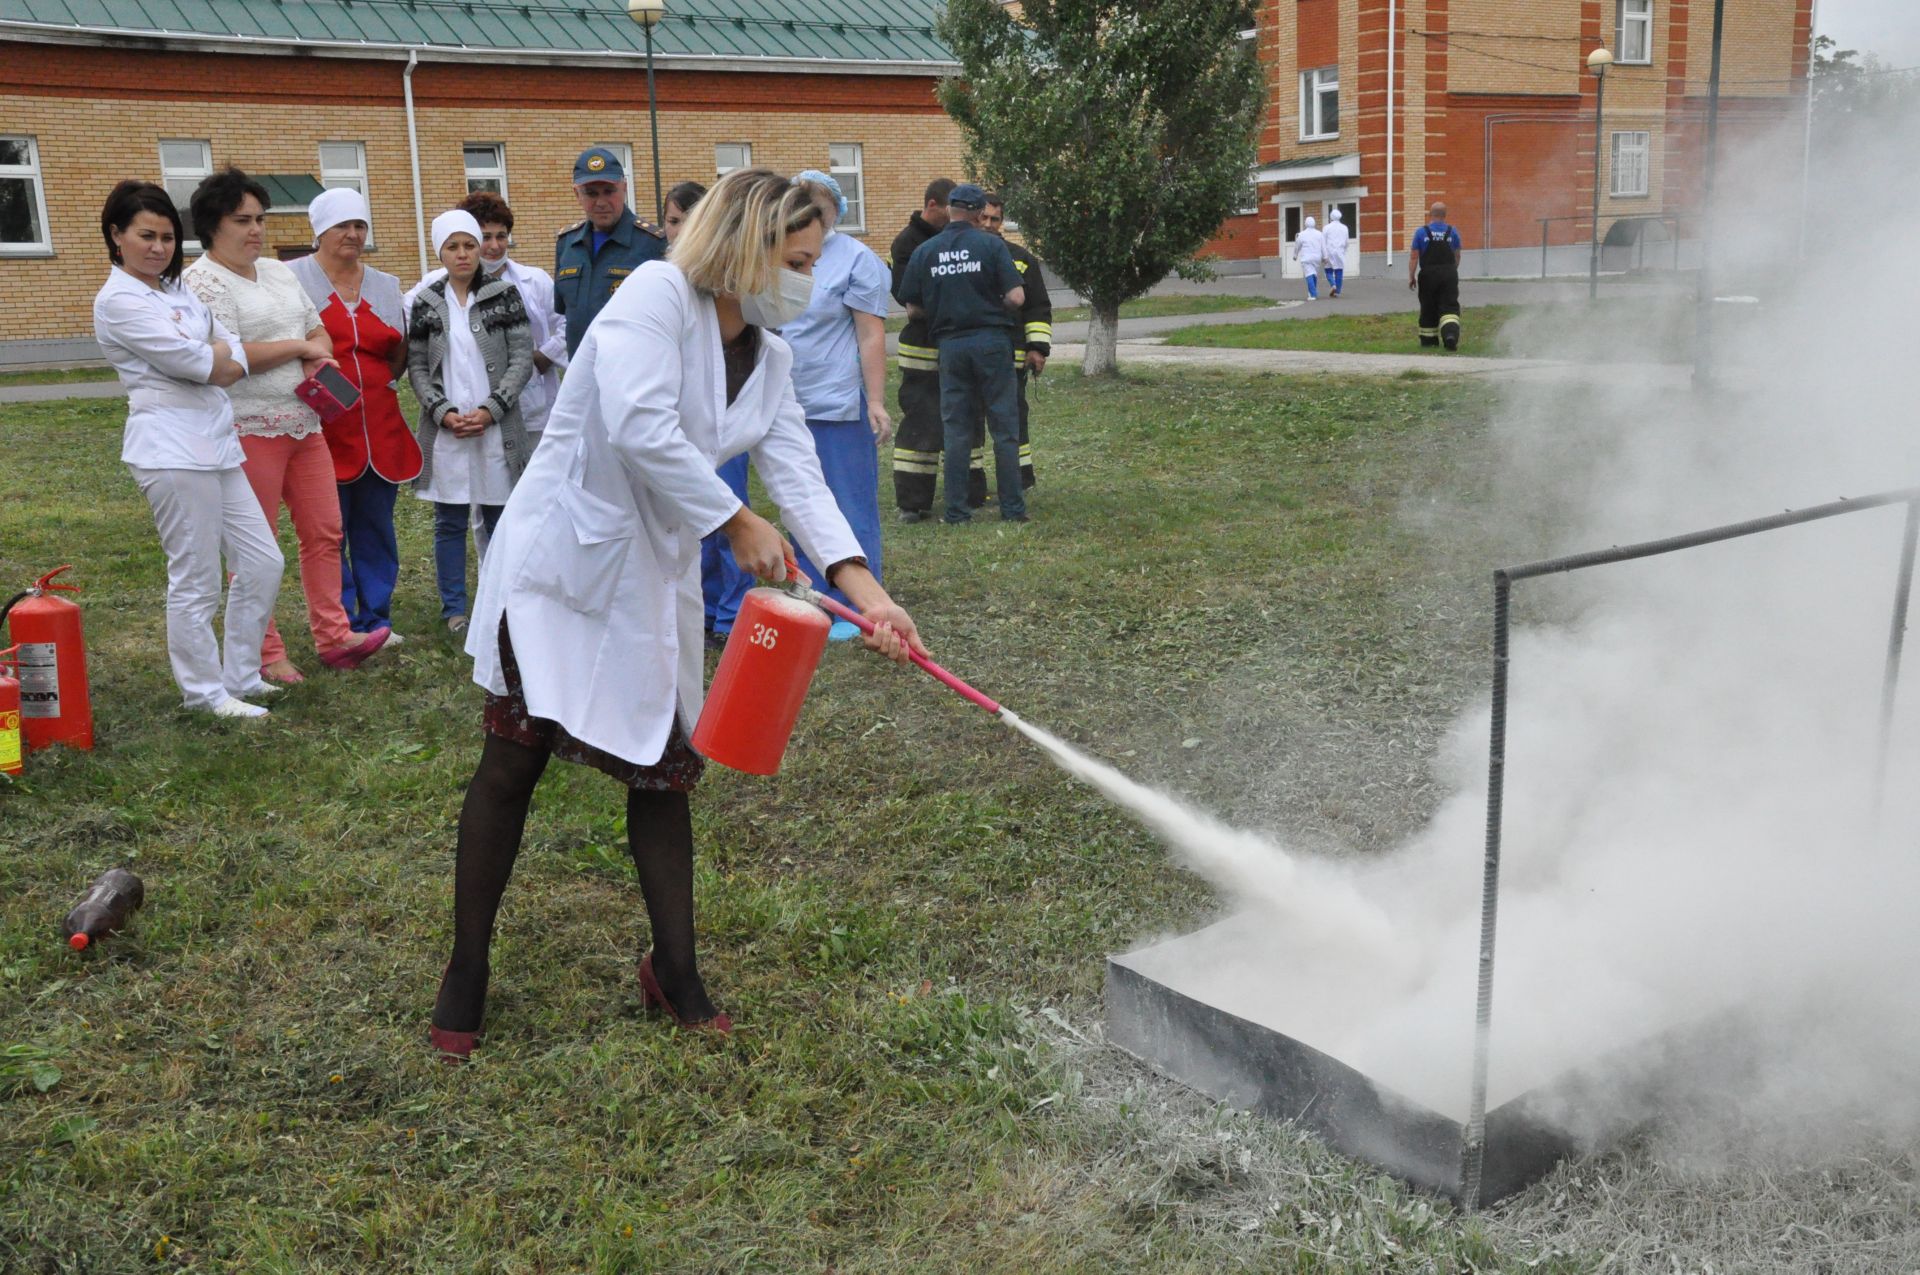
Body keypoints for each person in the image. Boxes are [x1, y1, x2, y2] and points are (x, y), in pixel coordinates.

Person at [428, 168, 926, 1061]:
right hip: (564, 565)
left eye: (814, 263)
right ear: (745, 244)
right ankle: (466, 969)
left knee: (665, 768)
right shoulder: (653, 297)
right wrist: (733, 520)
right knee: (511, 761)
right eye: (797, 260)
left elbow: (800, 474)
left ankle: (675, 968)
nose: (807, 283)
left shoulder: (767, 355)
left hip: (648, 581)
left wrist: (868, 592)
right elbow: (637, 423)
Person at [183, 168, 389, 685]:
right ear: (212, 225)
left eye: (260, 219)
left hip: (304, 423)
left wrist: (313, 348)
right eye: (242, 220)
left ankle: (335, 636)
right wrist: (300, 349)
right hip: (246, 426)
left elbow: (314, 325)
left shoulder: (278, 272)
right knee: (258, 546)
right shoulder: (202, 281)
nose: (256, 230)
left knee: (324, 531)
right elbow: (227, 355)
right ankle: (264, 651)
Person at [92, 180, 283, 719]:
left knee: (263, 562)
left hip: (217, 442)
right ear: (117, 236)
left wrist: (217, 355)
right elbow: (208, 364)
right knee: (195, 576)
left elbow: (231, 351)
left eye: (168, 237)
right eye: (145, 236)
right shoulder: (118, 301)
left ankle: (241, 674)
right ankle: (203, 693)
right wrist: (216, 355)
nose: (158, 247)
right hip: (171, 450)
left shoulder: (177, 292)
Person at [289, 188, 420, 640]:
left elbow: (399, 349)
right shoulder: (291, 278)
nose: (352, 234)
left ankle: (377, 618)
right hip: (322, 425)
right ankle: (340, 622)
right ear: (319, 231)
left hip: (379, 425)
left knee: (376, 525)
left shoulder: (385, 284)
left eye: (359, 225)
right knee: (329, 530)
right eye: (342, 225)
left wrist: (381, 383)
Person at [407, 210, 537, 634]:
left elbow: (521, 357)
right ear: (439, 252)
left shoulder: (504, 294)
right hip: (449, 431)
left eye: (469, 244)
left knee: (501, 517)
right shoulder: (427, 302)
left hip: (496, 428)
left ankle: (502, 602)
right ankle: (455, 611)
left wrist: (492, 408)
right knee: (450, 521)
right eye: (452, 246)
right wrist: (441, 411)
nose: (462, 254)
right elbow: (418, 367)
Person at [781, 170, 893, 640]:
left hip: (838, 403)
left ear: (834, 212)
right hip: (789, 402)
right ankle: (814, 597)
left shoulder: (856, 259)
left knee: (848, 504)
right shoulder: (779, 254)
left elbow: (870, 334)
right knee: (802, 505)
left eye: (818, 207)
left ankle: (859, 606)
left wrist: (876, 401)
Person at [897, 183, 1027, 526]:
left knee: (956, 429)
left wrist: (944, 310)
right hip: (992, 342)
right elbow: (1016, 297)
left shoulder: (927, 250)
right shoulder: (991, 245)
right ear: (976, 212)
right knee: (1004, 427)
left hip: (950, 346)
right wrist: (989, 308)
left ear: (952, 209)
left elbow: (911, 307)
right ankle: (1012, 510)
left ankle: (956, 512)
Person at [404, 191, 566, 447]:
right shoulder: (434, 286)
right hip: (470, 406)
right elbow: (407, 322)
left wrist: (545, 355)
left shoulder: (534, 281)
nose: (494, 246)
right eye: (485, 237)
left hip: (533, 406)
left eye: (501, 236)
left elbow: (567, 323)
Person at [553, 146, 666, 358]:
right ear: (577, 194)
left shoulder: (653, 244)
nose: (601, 202)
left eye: (609, 191)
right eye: (591, 193)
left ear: (624, 188)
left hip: (633, 374)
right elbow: (566, 313)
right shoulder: (567, 244)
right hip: (580, 376)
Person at [887, 177, 954, 522]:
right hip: (924, 346)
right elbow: (910, 303)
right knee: (922, 422)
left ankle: (968, 494)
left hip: (956, 344)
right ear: (932, 206)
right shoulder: (907, 244)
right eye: (949, 211)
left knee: (966, 420)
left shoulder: (953, 238)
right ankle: (913, 503)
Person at [980, 193, 1051, 496]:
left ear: (1002, 223)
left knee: (1013, 420)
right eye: (983, 217)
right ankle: (972, 486)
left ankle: (1021, 478)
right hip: (972, 352)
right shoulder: (962, 256)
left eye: (994, 219)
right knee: (969, 422)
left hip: (1012, 357)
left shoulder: (1022, 259)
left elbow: (1037, 307)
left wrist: (1037, 348)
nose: (988, 224)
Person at [1409, 202, 1464, 350]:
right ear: (1445, 216)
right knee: (1450, 307)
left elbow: (1414, 256)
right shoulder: (1453, 231)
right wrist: (1452, 271)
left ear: (1430, 215)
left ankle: (1429, 342)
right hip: (1449, 273)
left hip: (1428, 275)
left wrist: (1411, 276)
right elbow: (1457, 255)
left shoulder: (1421, 232)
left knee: (1428, 307)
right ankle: (1450, 336)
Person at [1294, 216, 1324, 302]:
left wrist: (1295, 255)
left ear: (1305, 224)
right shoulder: (1319, 234)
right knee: (1314, 274)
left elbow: (1297, 246)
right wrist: (1325, 257)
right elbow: (1323, 247)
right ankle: (1311, 293)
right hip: (1317, 258)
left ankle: (1313, 294)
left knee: (1309, 275)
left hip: (1306, 258)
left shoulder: (1301, 234)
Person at [1323, 207, 1350, 298]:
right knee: (1339, 270)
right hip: (1340, 251)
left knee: (1328, 270)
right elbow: (1346, 242)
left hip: (1329, 251)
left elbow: (1323, 241)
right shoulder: (1344, 228)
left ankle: (1332, 284)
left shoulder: (1326, 228)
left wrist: (1323, 254)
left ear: (1331, 217)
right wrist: (1344, 250)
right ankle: (1337, 292)